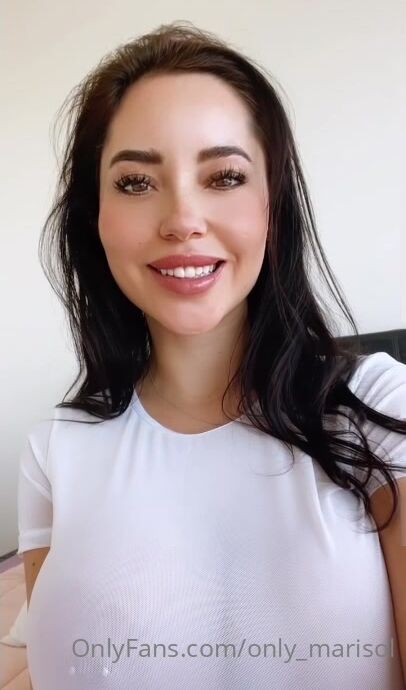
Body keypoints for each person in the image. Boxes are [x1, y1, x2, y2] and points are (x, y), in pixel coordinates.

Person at [17, 20, 406, 690]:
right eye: (136, 182)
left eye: (224, 176)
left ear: (272, 205)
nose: (182, 220)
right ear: (94, 217)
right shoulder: (55, 450)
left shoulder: (378, 409)